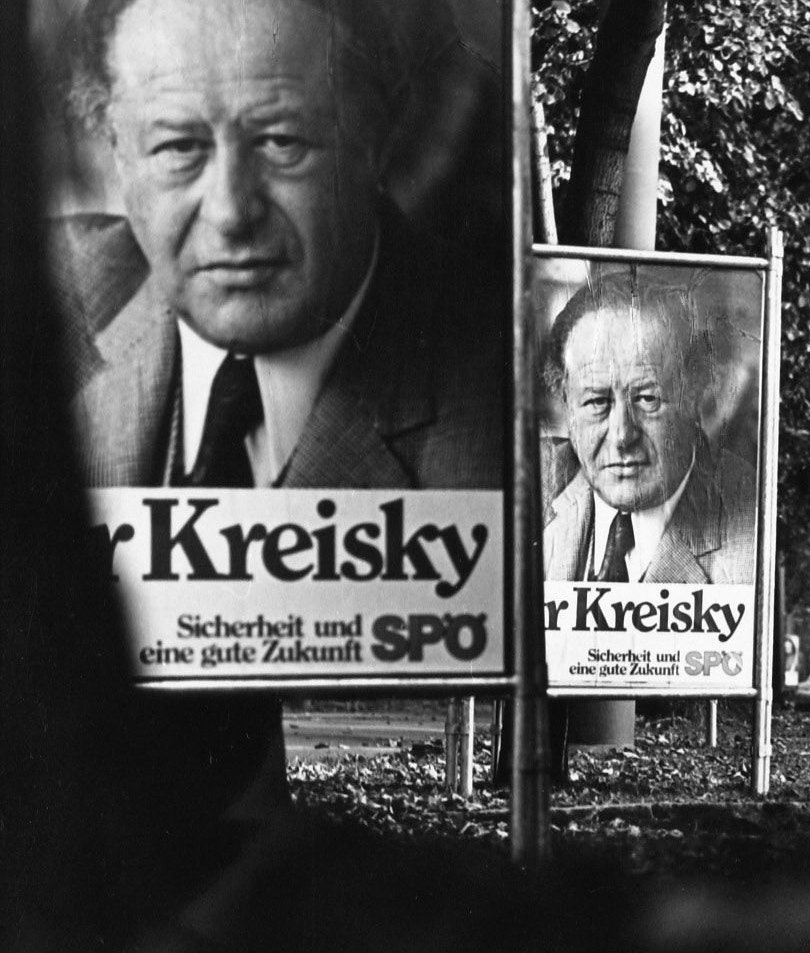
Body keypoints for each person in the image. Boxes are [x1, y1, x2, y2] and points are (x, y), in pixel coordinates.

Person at [50, 0, 504, 943]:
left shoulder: (483, 376)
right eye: (177, 147)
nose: (230, 210)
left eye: (284, 140)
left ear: (377, 135)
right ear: (116, 157)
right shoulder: (49, 310)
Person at [541, 271, 757, 586]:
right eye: (597, 402)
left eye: (647, 399)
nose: (621, 436)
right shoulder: (530, 488)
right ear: (565, 401)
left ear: (695, 394)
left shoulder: (747, 530)